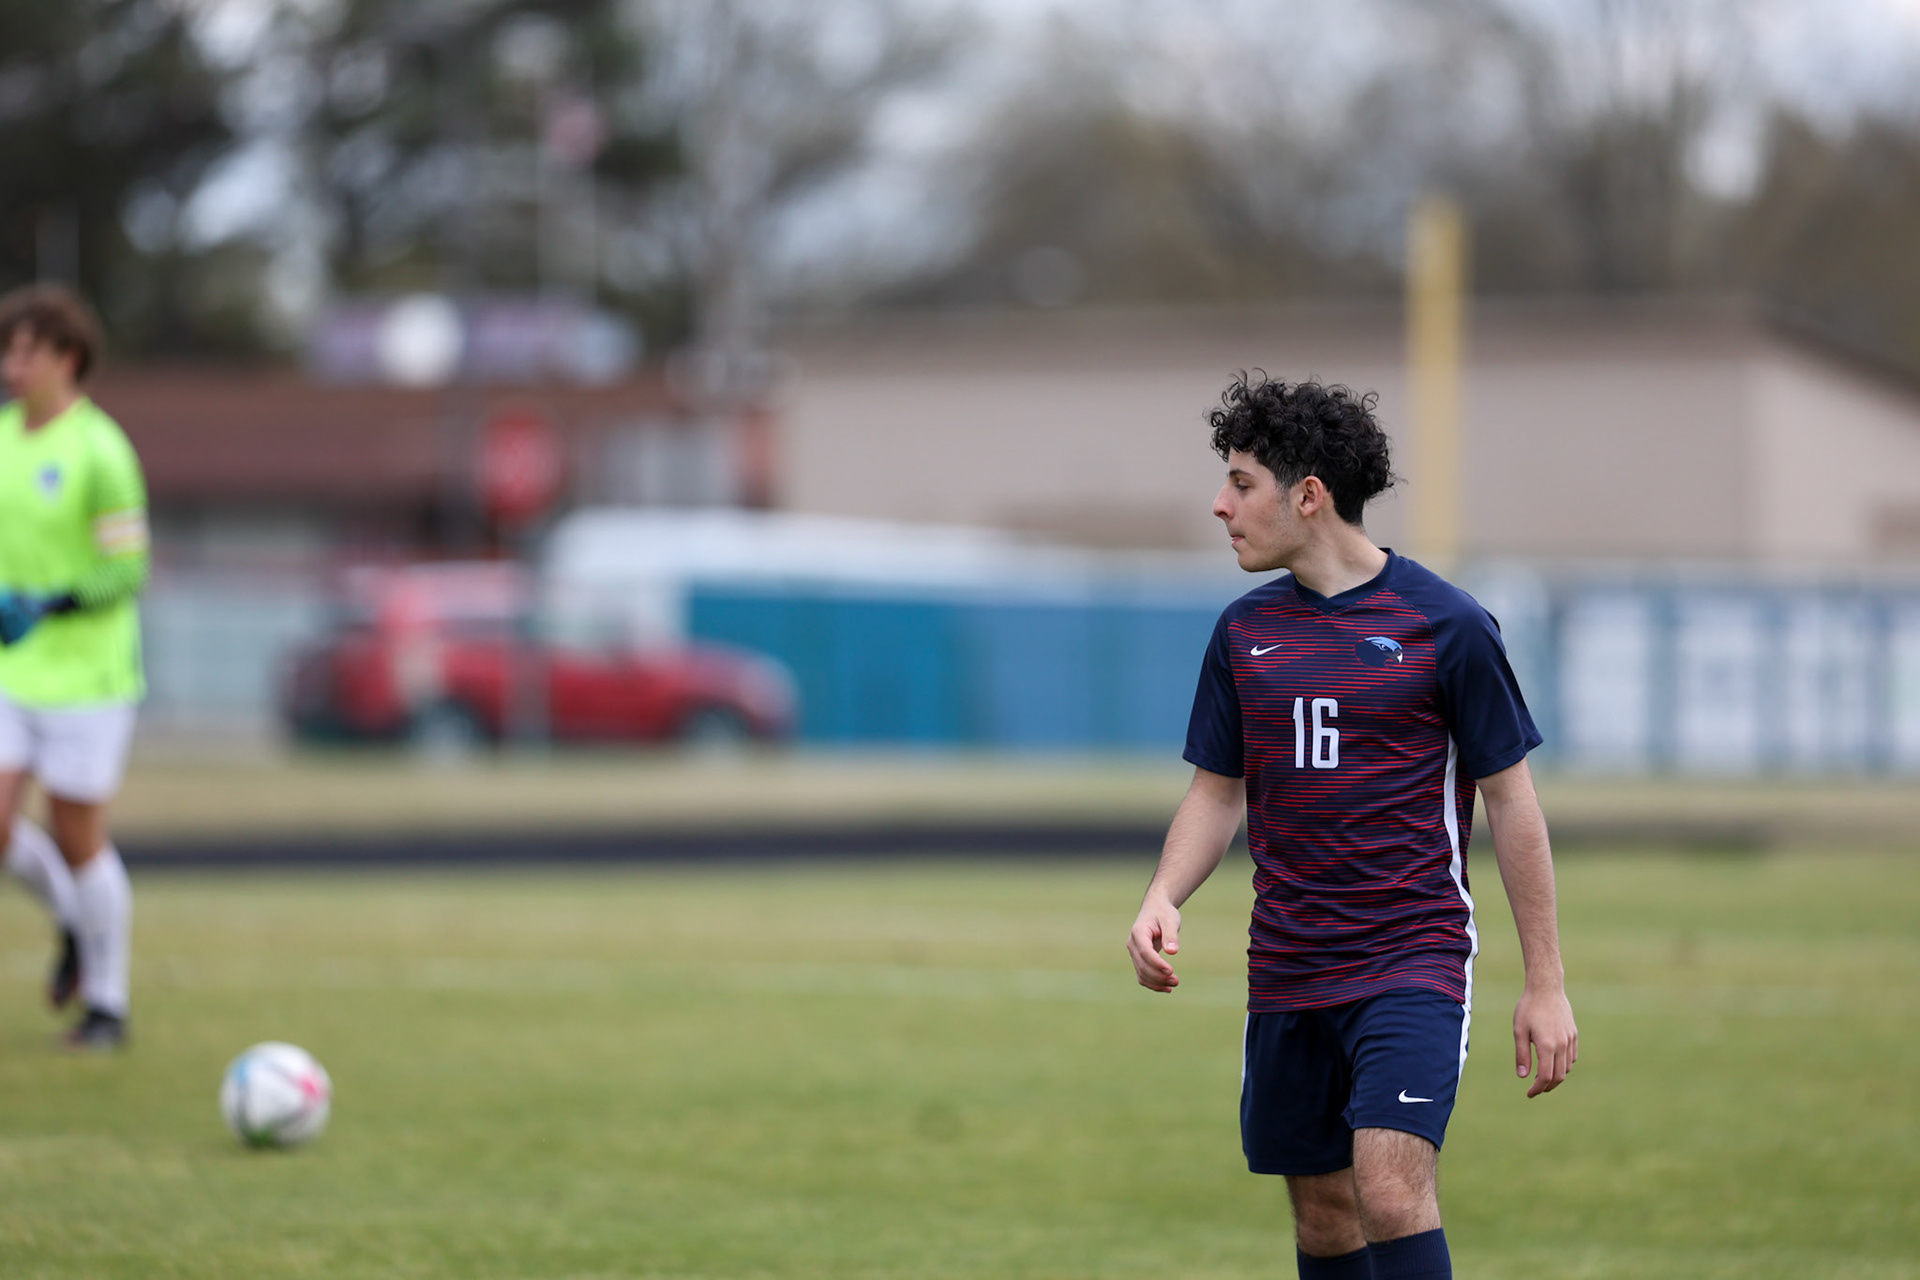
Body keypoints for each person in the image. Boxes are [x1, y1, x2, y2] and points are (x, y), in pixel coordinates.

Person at [1126, 376, 1576, 1280]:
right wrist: (1161, 895)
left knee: (1392, 1191)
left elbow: (1513, 800)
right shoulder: (1242, 632)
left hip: (1412, 952)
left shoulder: (1444, 623)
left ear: (1309, 495)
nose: (1221, 505)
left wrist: (1546, 982)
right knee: (1325, 1214)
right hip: (1288, 961)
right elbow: (1218, 792)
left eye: (1241, 483)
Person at [0, 284, 147, 1049]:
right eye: (7, 351)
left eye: (28, 352)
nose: (12, 366)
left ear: (69, 358)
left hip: (89, 676)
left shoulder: (102, 452)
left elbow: (126, 570)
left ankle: (108, 1005)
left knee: (77, 834)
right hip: (9, 671)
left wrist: (51, 602)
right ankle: (67, 913)